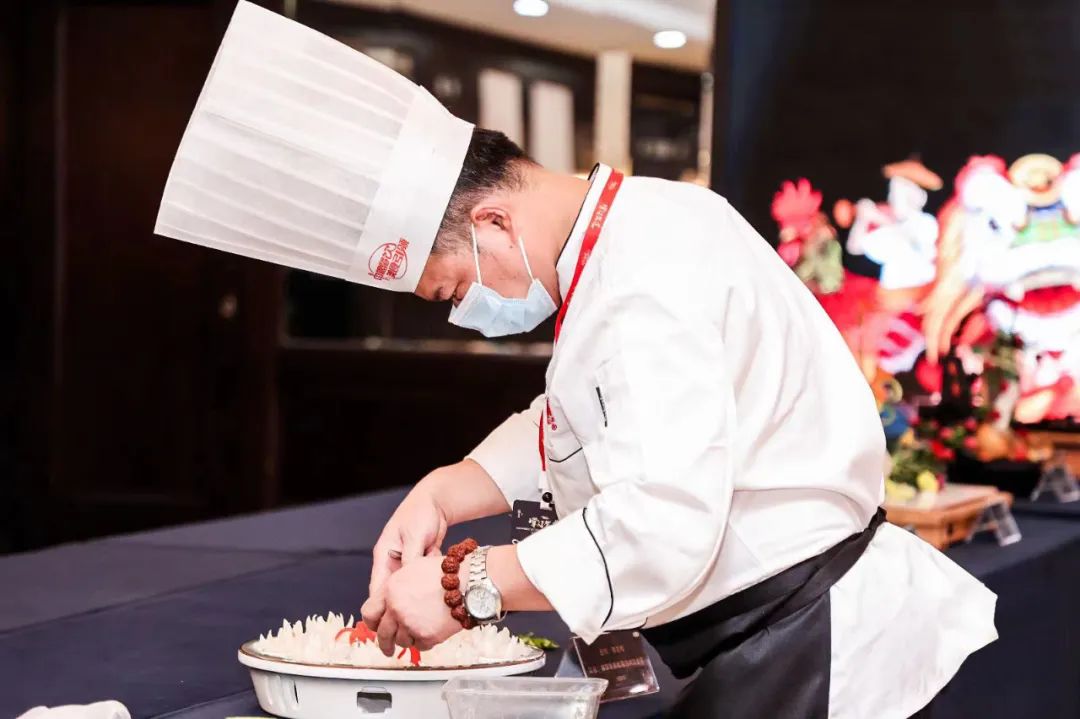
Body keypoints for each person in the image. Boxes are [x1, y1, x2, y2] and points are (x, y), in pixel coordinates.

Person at [155, 4, 997, 717]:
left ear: (490, 223)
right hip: (765, 626)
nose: (463, 311)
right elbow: (591, 414)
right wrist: (450, 486)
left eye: (448, 290)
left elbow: (663, 523)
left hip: (802, 640)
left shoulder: (643, 280)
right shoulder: (628, 239)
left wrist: (467, 586)